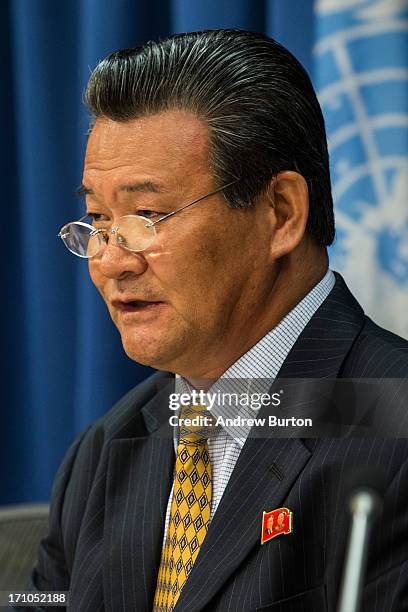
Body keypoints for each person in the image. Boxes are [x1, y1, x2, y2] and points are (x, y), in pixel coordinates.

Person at [30, 30, 408, 611]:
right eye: (98, 220)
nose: (109, 260)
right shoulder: (104, 449)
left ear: (280, 213)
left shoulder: (395, 428)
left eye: (148, 215)